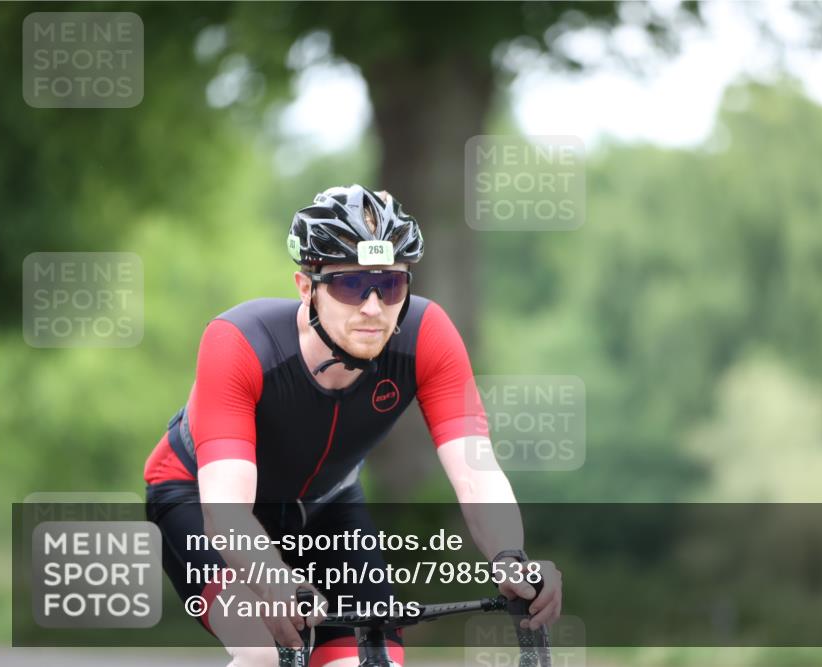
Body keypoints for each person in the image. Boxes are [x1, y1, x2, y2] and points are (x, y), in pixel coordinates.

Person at [143, 185, 562, 667]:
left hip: (327, 509)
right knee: (264, 649)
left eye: (390, 286)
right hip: (197, 499)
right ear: (307, 288)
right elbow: (227, 510)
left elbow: (476, 471)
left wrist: (511, 556)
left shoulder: (428, 335)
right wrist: (273, 579)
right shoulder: (240, 340)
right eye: (348, 285)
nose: (371, 307)